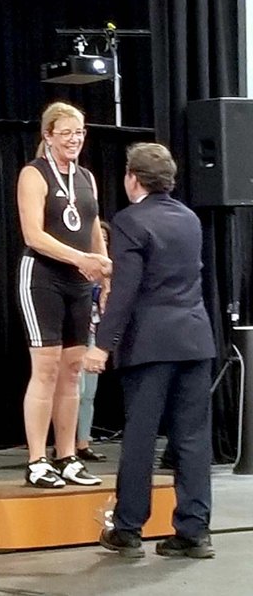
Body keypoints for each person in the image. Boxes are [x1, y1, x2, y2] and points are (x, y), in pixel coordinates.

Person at [87, 143, 216, 559]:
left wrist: (102, 345)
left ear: (133, 178)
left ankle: (128, 528)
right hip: (195, 338)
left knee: (141, 436)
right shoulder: (190, 218)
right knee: (192, 438)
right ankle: (194, 531)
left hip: (151, 343)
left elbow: (125, 291)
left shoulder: (129, 221)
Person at [17, 101, 111, 488]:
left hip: (79, 282)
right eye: (67, 133)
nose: (75, 139)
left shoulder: (86, 177)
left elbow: (92, 230)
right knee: (47, 368)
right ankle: (37, 459)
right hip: (42, 277)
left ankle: (68, 455)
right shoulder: (33, 174)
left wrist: (104, 273)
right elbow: (33, 236)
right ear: (48, 136)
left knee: (73, 372)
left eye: (80, 132)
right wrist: (82, 260)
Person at [74, 220, 112, 462]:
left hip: (94, 333)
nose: (103, 245)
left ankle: (83, 442)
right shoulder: (78, 270)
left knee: (90, 392)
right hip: (76, 332)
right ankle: (64, 444)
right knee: (74, 389)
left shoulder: (106, 278)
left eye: (106, 242)